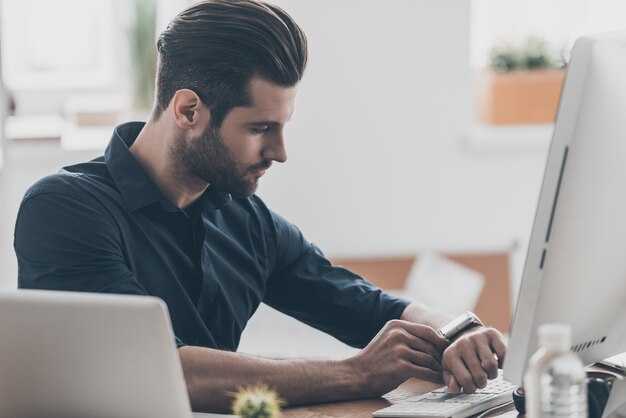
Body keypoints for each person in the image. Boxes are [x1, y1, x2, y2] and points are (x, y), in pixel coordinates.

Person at [14, 0, 506, 413]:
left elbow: (357, 301)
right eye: (260, 129)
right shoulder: (63, 210)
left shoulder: (247, 221)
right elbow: (149, 368)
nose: (280, 152)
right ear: (189, 111)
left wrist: (455, 331)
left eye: (282, 127)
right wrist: (354, 374)